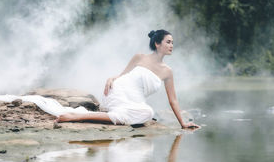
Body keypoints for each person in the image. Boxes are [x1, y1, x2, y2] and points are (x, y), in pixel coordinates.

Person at [56, 29, 200, 129]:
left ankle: (83, 115)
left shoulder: (167, 72)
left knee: (147, 112)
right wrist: (111, 78)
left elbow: (173, 100)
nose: (171, 46)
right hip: (117, 92)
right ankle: (78, 117)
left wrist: (183, 123)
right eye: (168, 42)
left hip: (134, 101)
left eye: (172, 42)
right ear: (157, 44)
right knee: (146, 113)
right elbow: (122, 76)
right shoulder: (140, 57)